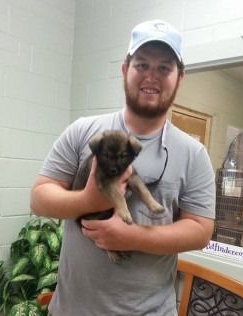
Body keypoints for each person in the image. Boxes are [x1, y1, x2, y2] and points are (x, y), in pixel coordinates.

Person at [30, 19, 216, 316]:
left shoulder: (194, 154)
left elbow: (200, 231)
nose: (151, 76)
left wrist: (131, 237)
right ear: (124, 69)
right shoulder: (82, 131)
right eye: (142, 65)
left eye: (164, 68)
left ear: (180, 77)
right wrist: (89, 200)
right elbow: (40, 198)